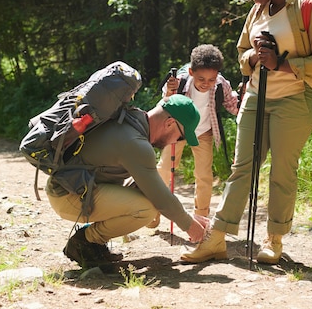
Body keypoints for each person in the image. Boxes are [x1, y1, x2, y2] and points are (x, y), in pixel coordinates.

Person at [180, 0, 312, 264]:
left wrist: (281, 63)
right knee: (242, 168)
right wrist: (254, 55)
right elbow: (240, 55)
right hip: (255, 96)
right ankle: (216, 239)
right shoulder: (257, 10)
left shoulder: (311, 8)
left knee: (282, 171)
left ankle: (274, 240)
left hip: (295, 100)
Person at [45, 94, 209, 270]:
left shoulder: (131, 120)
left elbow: (151, 188)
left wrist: (188, 217)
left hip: (71, 187)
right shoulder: (135, 143)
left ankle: (92, 241)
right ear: (169, 123)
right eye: (179, 137)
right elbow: (160, 199)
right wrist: (190, 226)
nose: (175, 143)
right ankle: (84, 242)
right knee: (145, 210)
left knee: (143, 196)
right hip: (67, 195)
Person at [148, 44, 239, 228]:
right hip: (177, 131)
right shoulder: (179, 81)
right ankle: (153, 211)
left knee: (204, 175)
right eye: (201, 78)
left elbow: (233, 105)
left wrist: (244, 98)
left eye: (211, 79)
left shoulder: (221, 84)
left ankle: (201, 220)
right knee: (165, 168)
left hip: (203, 131)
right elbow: (165, 104)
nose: (206, 83)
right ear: (191, 72)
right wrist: (169, 91)